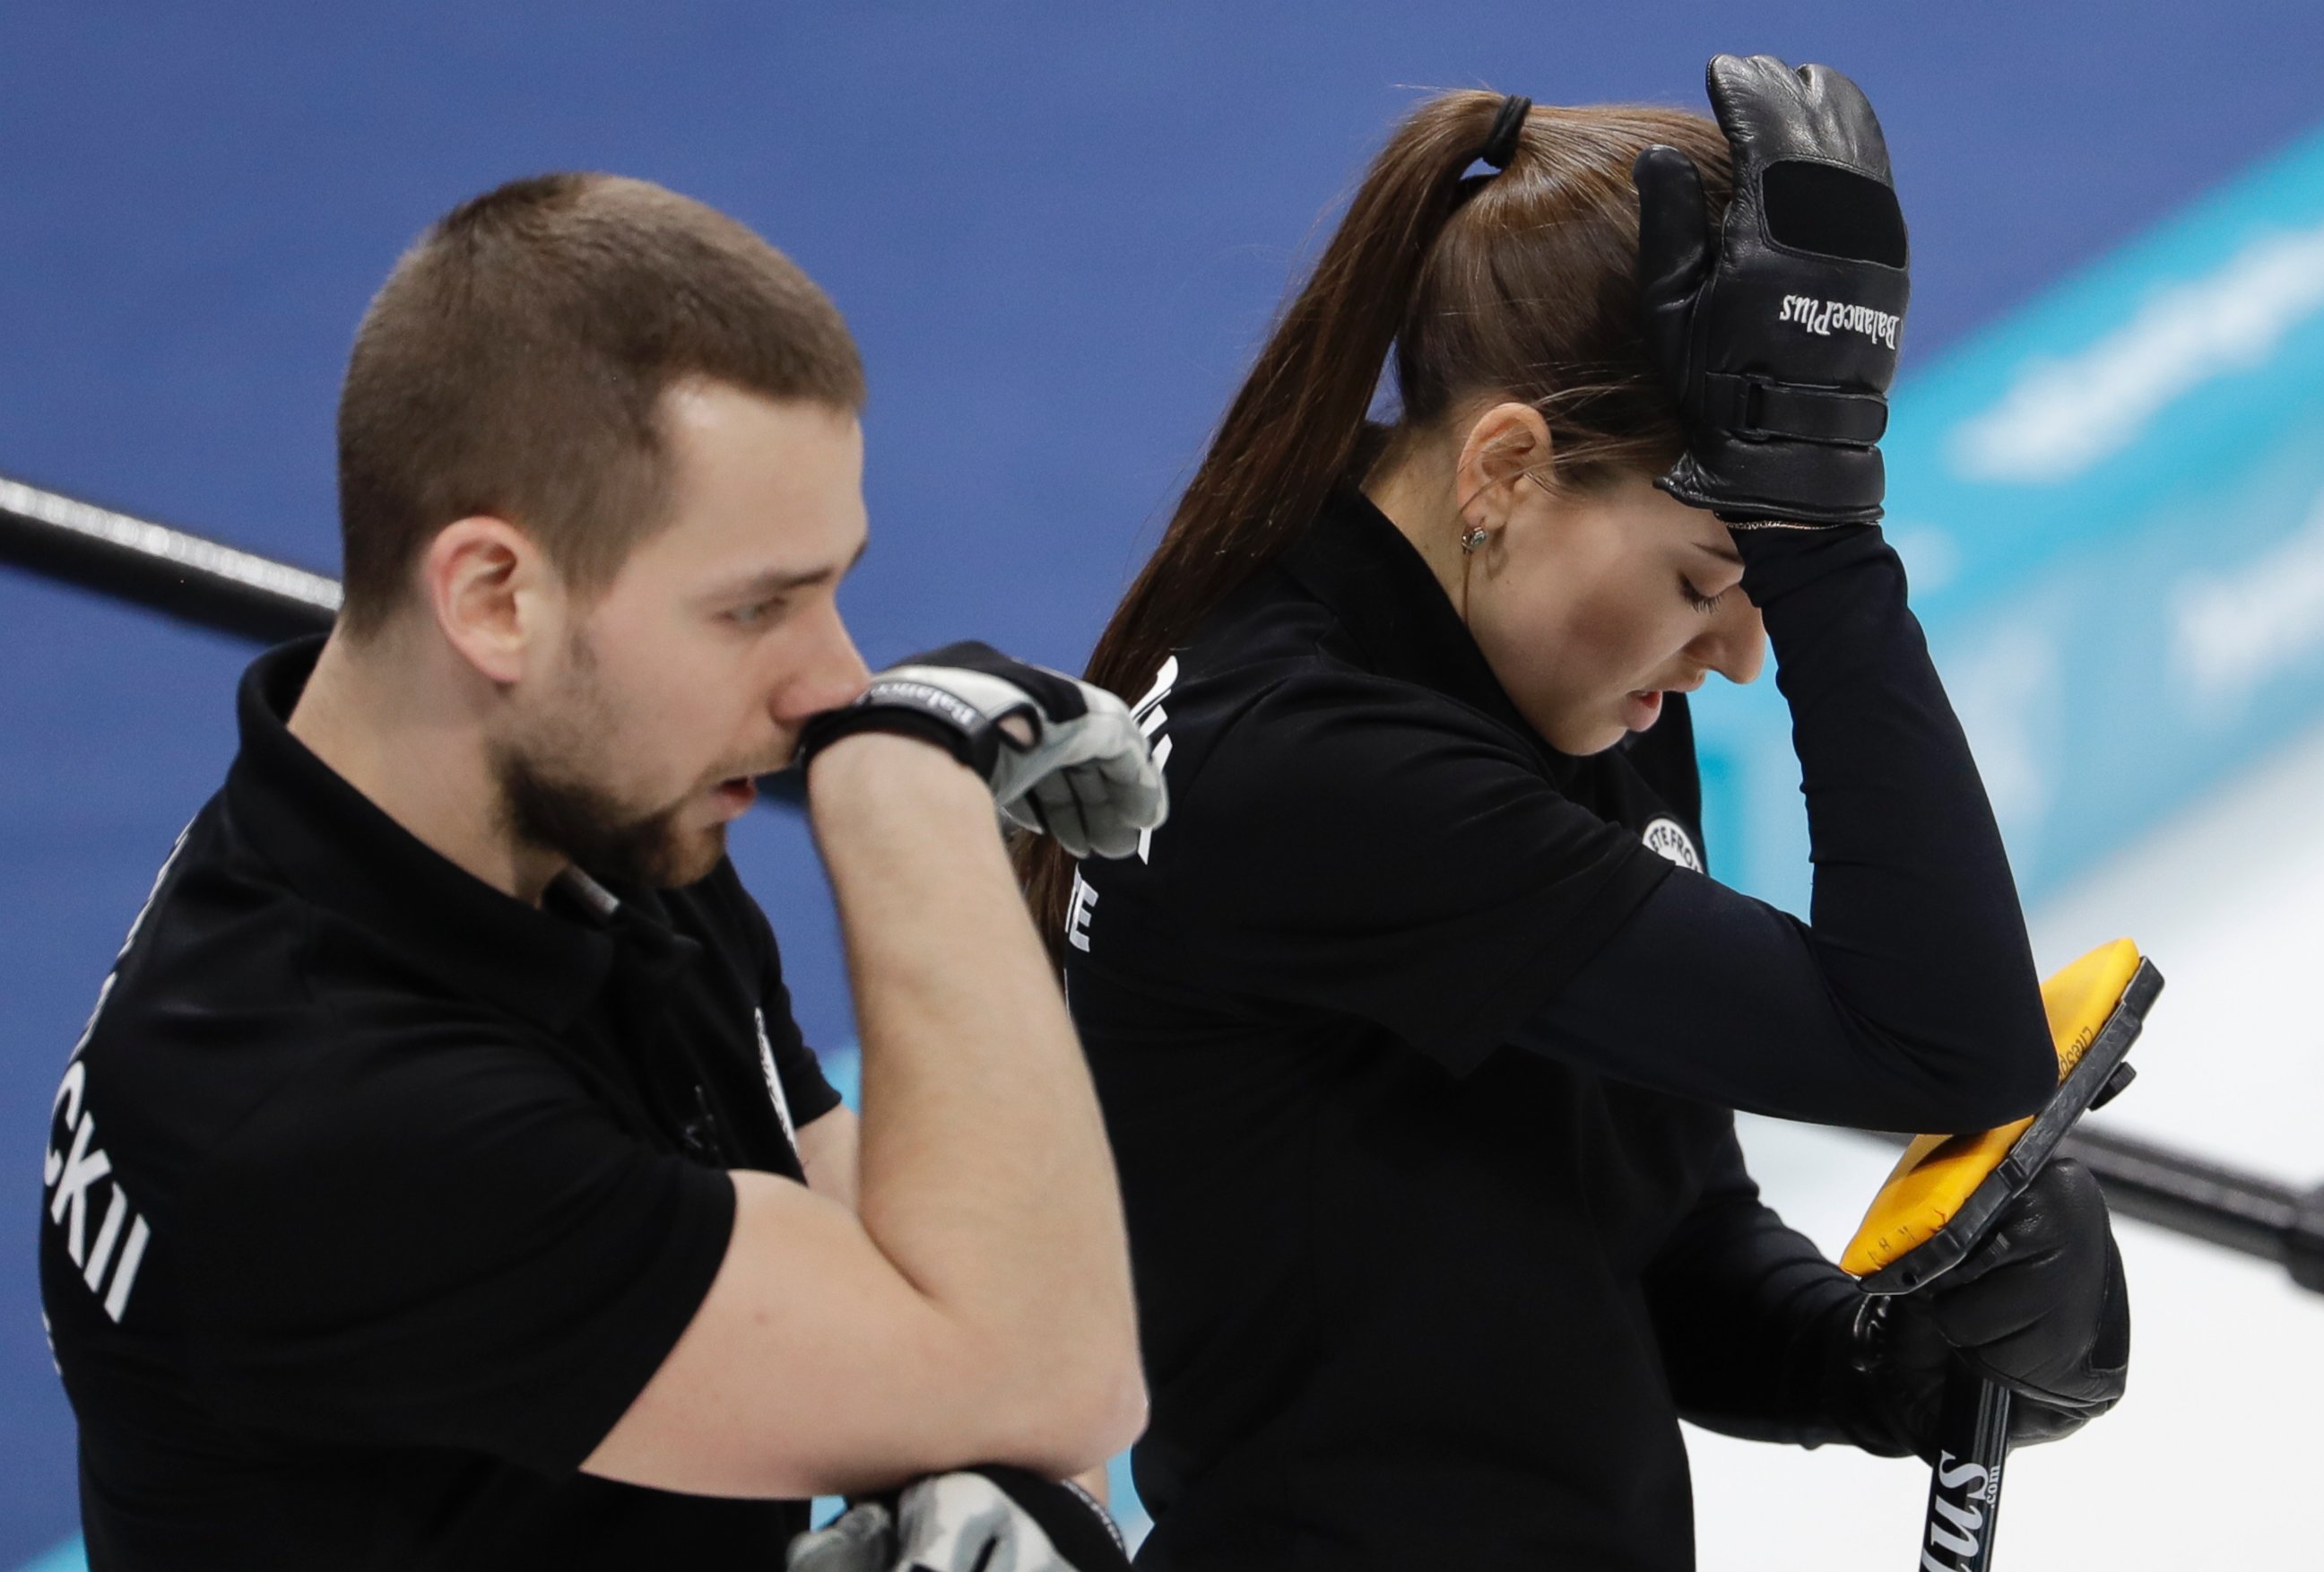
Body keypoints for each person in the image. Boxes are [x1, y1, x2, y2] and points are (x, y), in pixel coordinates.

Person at [1022, 58, 2130, 1570]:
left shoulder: (1541, 675)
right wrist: (1824, 547)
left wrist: (1889, 1356)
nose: (1746, 654)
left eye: (1758, 590)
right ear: (1507, 468)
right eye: (1709, 583)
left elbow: (1664, 1231)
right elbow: (1948, 1039)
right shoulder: (1309, 763)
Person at [39, 173, 1161, 1570]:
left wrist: (954, 1414)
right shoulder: (319, 1111)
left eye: (831, 587)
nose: (838, 682)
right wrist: (907, 793)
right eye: (756, 606)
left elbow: (890, 1235)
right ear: (497, 597)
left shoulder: (575, 812)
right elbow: (1058, 1374)